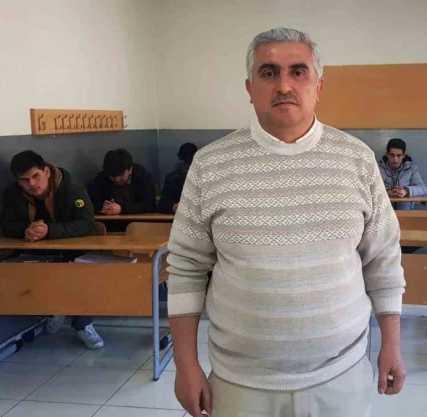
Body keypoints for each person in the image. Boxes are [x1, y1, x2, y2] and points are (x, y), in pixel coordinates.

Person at [165, 28, 406, 417]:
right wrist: (186, 364)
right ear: (250, 88)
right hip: (241, 383)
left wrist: (392, 344)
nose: (283, 86)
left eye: (298, 71)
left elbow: (383, 259)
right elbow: (186, 268)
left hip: (341, 376)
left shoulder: (356, 159)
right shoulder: (210, 165)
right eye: (268, 73)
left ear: (318, 86)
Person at [0, 150, 104, 349]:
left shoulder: (72, 188)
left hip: (74, 247)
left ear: (46, 172)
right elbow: (7, 223)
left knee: (77, 272)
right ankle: (54, 308)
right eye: (24, 180)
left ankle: (83, 325)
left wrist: (50, 230)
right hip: (38, 250)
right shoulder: (13, 194)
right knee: (18, 270)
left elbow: (87, 223)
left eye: (35, 176)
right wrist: (25, 229)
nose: (32, 184)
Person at [88, 148, 157, 215]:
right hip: (110, 221)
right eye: (113, 176)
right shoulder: (102, 178)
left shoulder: (144, 178)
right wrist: (103, 206)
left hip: (140, 220)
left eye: (121, 175)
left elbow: (149, 206)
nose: (117, 179)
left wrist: (121, 209)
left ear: (130, 170)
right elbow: (91, 204)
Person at [378, 138, 427, 211]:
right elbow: (370, 190)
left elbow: (423, 189)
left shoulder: (411, 168)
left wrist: (406, 191)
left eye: (399, 156)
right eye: (392, 155)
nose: (395, 159)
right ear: (387, 154)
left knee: (404, 206)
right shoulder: (378, 168)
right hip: (384, 206)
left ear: (404, 155)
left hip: (405, 206)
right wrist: (387, 192)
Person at [158, 143, 198, 214]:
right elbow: (162, 205)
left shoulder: (172, 177)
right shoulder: (172, 178)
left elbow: (162, 204)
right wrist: (173, 206)